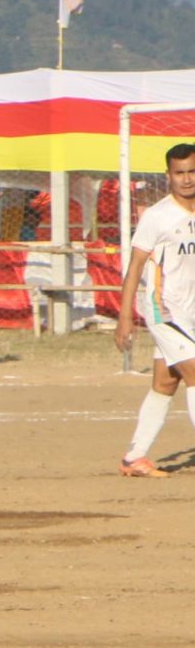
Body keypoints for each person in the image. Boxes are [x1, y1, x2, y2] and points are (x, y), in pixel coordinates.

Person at [117, 142, 195, 476]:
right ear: (168, 176)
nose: (187, 179)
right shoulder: (157, 216)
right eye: (179, 173)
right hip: (164, 311)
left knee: (165, 383)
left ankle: (135, 458)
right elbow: (135, 267)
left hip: (191, 312)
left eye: (192, 171)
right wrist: (124, 317)